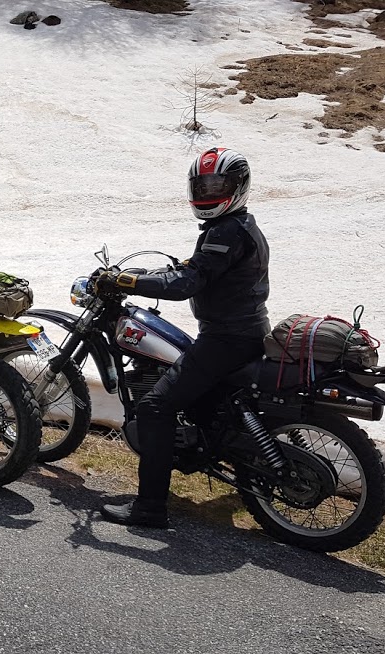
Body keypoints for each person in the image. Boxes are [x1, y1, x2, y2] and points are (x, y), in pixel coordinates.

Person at [94, 147, 270, 528]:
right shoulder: (236, 226)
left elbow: (188, 283)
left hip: (226, 339)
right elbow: (197, 269)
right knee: (197, 398)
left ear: (239, 187)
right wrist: (154, 273)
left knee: (155, 408)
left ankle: (149, 508)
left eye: (217, 186)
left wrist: (128, 281)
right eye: (203, 186)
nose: (208, 193)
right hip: (245, 334)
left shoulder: (226, 232)